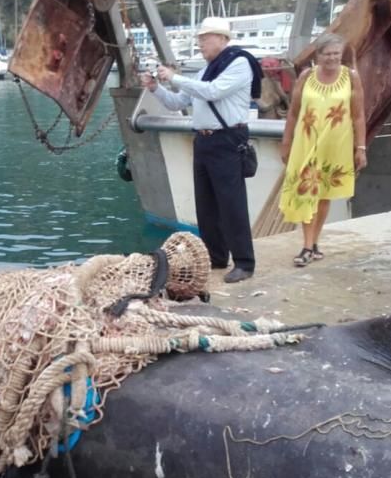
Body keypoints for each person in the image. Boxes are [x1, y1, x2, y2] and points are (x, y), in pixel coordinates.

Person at [139, 16, 263, 284]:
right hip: (204, 140)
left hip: (227, 139)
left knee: (232, 204)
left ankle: (244, 262)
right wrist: (156, 88)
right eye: (199, 39)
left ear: (222, 39)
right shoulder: (204, 70)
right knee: (206, 205)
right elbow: (176, 103)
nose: (200, 43)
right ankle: (216, 256)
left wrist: (175, 77)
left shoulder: (239, 64)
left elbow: (213, 92)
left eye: (205, 38)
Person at [278, 33, 367, 266]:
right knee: (306, 191)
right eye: (327, 54)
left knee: (324, 195)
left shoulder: (351, 77)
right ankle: (307, 246)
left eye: (336, 54)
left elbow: (358, 115)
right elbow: (294, 113)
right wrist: (286, 142)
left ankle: (314, 243)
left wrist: (361, 147)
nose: (332, 58)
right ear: (318, 56)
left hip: (335, 145)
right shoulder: (306, 77)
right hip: (307, 143)